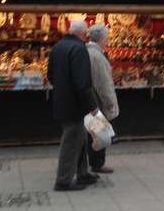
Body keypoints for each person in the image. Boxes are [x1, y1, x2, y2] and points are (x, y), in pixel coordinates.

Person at [47, 19, 100, 191]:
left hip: (62, 100)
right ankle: (63, 180)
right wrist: (91, 105)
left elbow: (50, 75)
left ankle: (83, 173)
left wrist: (63, 89)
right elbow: (82, 82)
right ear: (84, 33)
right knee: (71, 141)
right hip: (74, 104)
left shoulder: (58, 46)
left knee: (80, 138)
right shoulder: (79, 49)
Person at [86, 24, 119, 174]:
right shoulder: (98, 56)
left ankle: (93, 162)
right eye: (106, 38)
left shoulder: (87, 52)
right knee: (99, 133)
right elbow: (103, 83)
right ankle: (97, 163)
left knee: (92, 133)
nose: (107, 41)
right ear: (100, 39)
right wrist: (110, 103)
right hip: (97, 102)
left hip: (89, 100)